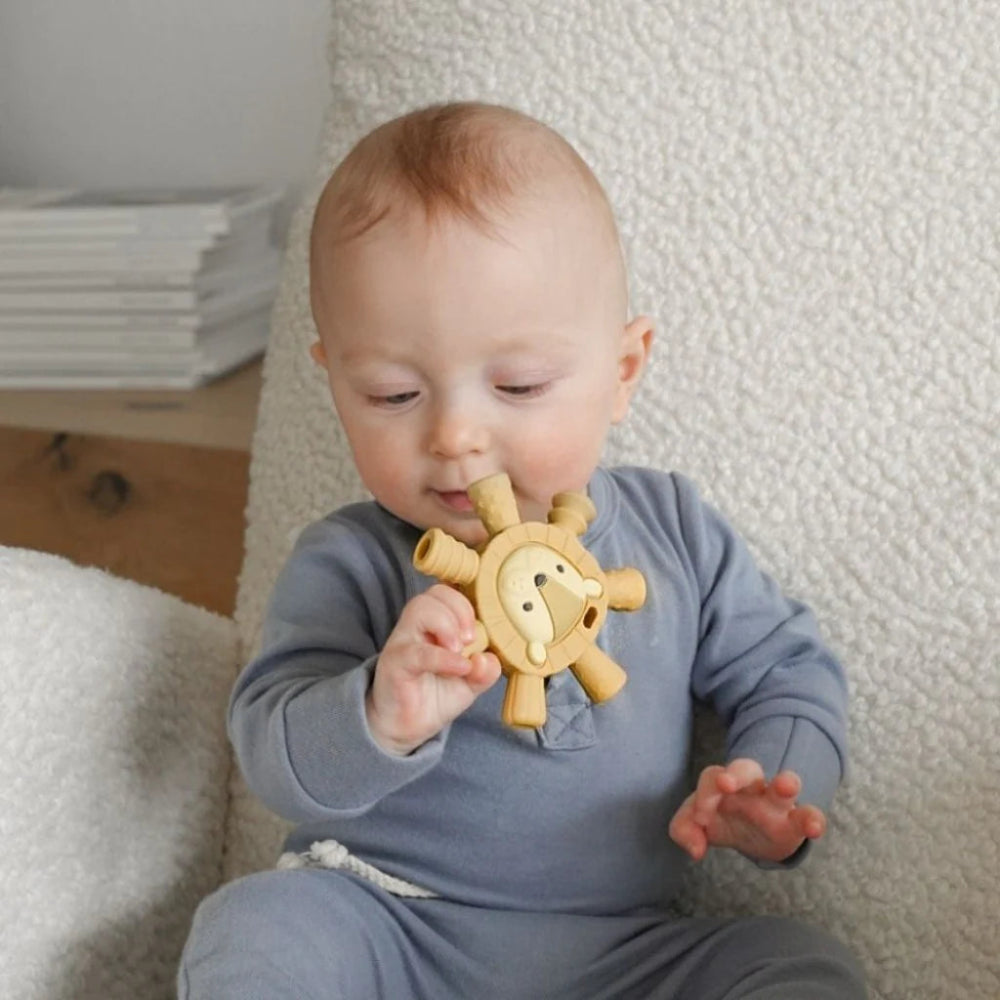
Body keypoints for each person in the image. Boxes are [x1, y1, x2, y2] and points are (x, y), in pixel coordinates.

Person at [179, 101, 865, 999]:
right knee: (254, 929)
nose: (458, 434)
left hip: (627, 954)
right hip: (389, 928)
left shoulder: (676, 535)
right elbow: (272, 752)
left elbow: (790, 670)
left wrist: (772, 784)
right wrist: (378, 713)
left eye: (519, 384)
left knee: (800, 967)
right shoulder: (354, 560)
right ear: (335, 385)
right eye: (392, 394)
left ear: (622, 372)